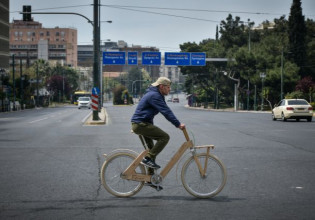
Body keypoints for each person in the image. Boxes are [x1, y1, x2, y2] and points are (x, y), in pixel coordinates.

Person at [131, 77, 185, 173]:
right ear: (161, 87)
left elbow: (147, 114)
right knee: (164, 137)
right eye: (168, 87)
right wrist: (178, 124)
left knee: (152, 150)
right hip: (140, 124)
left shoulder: (155, 94)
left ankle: (150, 178)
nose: (170, 89)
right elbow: (166, 111)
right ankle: (147, 159)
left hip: (142, 124)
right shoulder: (154, 96)